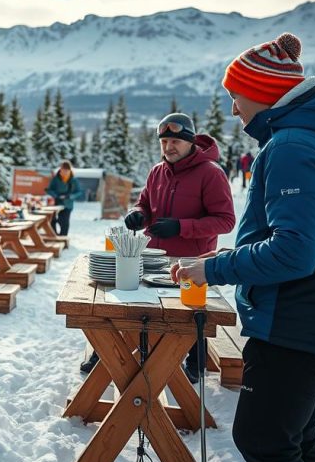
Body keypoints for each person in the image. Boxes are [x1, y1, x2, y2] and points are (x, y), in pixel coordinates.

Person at [175, 32, 315, 462]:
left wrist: (212, 267)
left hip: (298, 327)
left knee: (263, 439)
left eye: (235, 95)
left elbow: (295, 251)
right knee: (294, 440)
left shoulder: (294, 146)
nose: (232, 109)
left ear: (262, 92)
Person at [81, 113, 236, 381]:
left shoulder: (211, 173)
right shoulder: (157, 172)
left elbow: (226, 221)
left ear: (190, 142)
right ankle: (109, 352)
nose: (169, 146)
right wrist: (138, 214)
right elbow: (144, 203)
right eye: (164, 141)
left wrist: (180, 227)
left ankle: (195, 362)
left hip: (191, 263)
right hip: (153, 258)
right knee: (132, 304)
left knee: (188, 315)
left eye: (175, 140)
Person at [45, 160, 82, 236]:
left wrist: (70, 196)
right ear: (60, 170)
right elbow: (49, 190)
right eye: (63, 170)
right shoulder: (55, 179)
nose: (64, 173)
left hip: (68, 204)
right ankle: (54, 235)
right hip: (56, 203)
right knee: (52, 220)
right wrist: (56, 195)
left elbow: (79, 192)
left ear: (69, 171)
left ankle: (63, 237)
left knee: (64, 221)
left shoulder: (74, 180)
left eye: (66, 171)